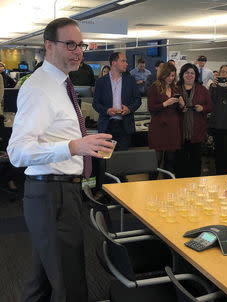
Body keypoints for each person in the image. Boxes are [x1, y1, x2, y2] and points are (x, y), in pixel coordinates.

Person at [7, 17, 114, 302]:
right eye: (70, 44)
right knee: (70, 283)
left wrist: (82, 144)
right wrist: (72, 147)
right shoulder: (39, 87)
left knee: (42, 282)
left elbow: (56, 134)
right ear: (48, 46)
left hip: (61, 192)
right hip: (50, 195)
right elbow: (17, 152)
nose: (78, 50)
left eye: (80, 45)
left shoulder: (62, 84)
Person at [93, 52, 142, 151]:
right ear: (114, 63)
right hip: (107, 125)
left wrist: (129, 109)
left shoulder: (130, 80)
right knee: (105, 158)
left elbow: (138, 100)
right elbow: (96, 103)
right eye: (123, 61)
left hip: (124, 126)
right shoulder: (101, 82)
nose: (126, 64)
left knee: (122, 160)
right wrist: (107, 110)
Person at [175, 63, 213, 178]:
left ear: (196, 75)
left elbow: (210, 106)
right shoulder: (175, 89)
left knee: (195, 162)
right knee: (180, 163)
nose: (189, 75)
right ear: (182, 75)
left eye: (192, 73)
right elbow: (170, 108)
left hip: (197, 132)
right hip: (179, 131)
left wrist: (203, 108)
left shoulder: (202, 89)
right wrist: (180, 108)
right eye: (187, 73)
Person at [147, 63, 184, 176]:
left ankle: (168, 187)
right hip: (159, 126)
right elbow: (151, 108)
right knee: (155, 161)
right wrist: (165, 103)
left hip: (172, 127)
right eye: (168, 75)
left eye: (173, 76)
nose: (171, 78)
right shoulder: (155, 87)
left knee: (170, 161)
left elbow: (180, 111)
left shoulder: (176, 88)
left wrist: (182, 105)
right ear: (162, 74)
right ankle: (152, 186)